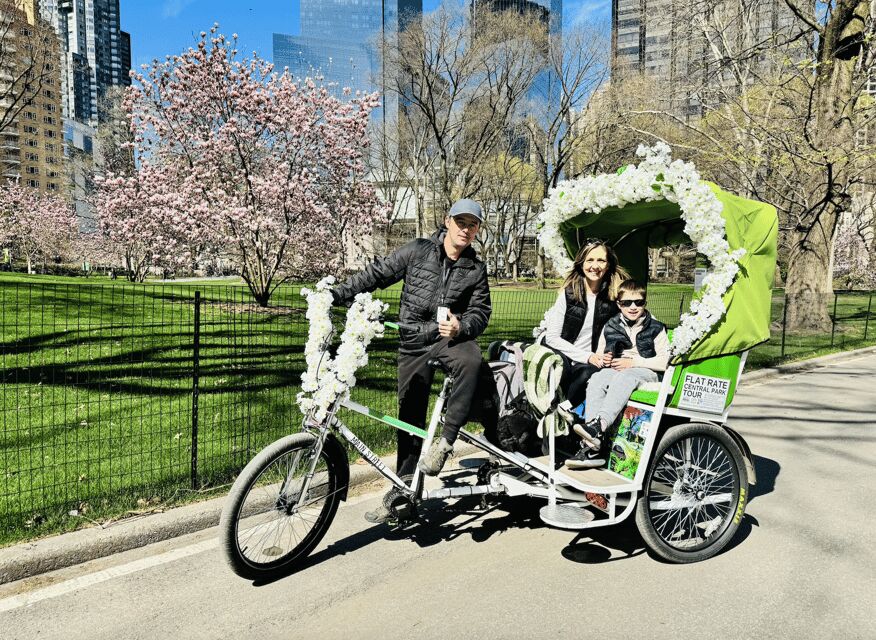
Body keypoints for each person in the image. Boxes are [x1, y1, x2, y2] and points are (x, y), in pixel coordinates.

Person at [331, 198, 491, 523]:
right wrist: (335, 294)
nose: (465, 229)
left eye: (472, 225)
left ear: (476, 231)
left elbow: (480, 311)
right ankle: (403, 493)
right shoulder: (418, 250)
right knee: (410, 420)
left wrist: (461, 326)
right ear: (447, 221)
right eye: (460, 222)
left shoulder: (476, 269)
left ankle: (445, 442)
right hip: (413, 342)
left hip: (447, 338)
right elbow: (377, 274)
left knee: (472, 360)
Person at [566, 279, 669, 469]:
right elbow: (599, 354)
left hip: (647, 372)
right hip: (617, 370)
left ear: (645, 303)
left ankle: (599, 426)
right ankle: (593, 446)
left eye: (638, 302)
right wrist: (604, 359)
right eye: (627, 303)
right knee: (597, 378)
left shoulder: (656, 327)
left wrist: (634, 362)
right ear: (619, 304)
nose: (633, 307)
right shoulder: (611, 326)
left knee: (624, 376)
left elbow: (665, 362)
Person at [541, 239, 627, 423]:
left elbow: (630, 321)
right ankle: (551, 418)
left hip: (592, 361)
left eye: (601, 260)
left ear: (608, 265)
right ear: (581, 264)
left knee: (591, 373)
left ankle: (565, 416)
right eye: (590, 260)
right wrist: (587, 356)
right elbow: (552, 338)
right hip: (564, 354)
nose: (595, 266)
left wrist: (607, 353)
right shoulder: (568, 294)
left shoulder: (614, 298)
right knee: (562, 370)